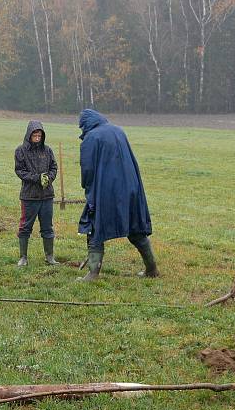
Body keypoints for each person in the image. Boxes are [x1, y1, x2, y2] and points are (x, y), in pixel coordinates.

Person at [77, 109, 158, 281]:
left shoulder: (91, 138)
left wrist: (87, 187)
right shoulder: (119, 130)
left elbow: (88, 169)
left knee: (94, 227)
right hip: (131, 189)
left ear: (85, 124)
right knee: (135, 228)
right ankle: (152, 269)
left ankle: (92, 274)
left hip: (105, 192)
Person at [14, 120, 58, 267]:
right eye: (35, 135)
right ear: (29, 135)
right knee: (25, 227)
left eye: (39, 135)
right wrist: (36, 178)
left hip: (47, 196)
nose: (37, 138)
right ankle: (23, 257)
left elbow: (53, 167)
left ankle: (50, 257)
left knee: (47, 227)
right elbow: (20, 171)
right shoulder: (20, 151)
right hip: (29, 196)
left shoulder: (48, 150)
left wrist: (49, 178)